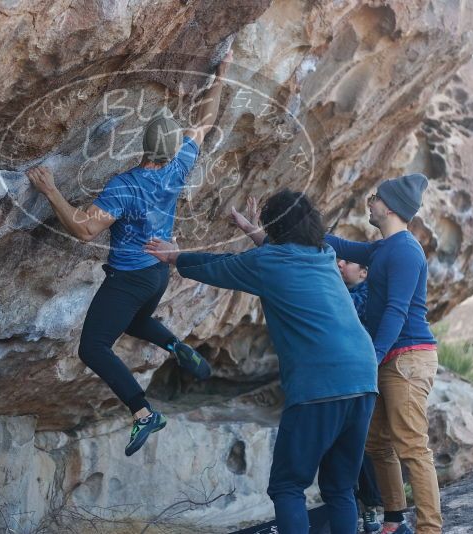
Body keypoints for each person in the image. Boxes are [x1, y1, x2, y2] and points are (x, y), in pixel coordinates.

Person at [26, 51, 233, 457]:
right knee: (137, 320)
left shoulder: (126, 185)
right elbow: (205, 122)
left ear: (144, 145)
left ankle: (143, 412)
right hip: (157, 275)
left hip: (130, 277)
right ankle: (175, 346)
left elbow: (85, 230)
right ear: (172, 150)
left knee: (93, 347)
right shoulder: (180, 166)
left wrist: (50, 190)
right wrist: (221, 75)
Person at [146, 190, 378, 534]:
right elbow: (279, 253)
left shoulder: (268, 262)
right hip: (363, 377)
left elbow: (220, 266)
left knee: (287, 487)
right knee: (341, 488)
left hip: (319, 383)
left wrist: (175, 257)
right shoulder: (324, 255)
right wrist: (250, 229)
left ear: (277, 228)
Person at [324, 174, 441, 534]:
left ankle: (429, 529)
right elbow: (340, 244)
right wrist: (303, 227)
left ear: (388, 207)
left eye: (374, 198)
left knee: (411, 446)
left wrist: (372, 356)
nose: (369, 202)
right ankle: (394, 520)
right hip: (388, 357)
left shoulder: (406, 250)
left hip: (408, 357)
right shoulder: (380, 248)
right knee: (376, 443)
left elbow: (397, 311)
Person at [337, 259, 382, 533]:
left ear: (364, 273)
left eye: (348, 263)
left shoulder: (365, 297)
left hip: (360, 379)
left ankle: (369, 507)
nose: (340, 264)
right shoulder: (344, 292)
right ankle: (351, 504)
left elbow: (347, 311)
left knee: (361, 445)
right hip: (339, 377)